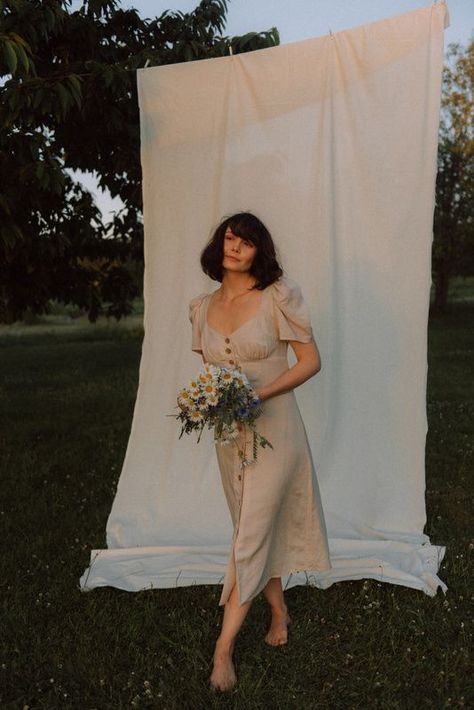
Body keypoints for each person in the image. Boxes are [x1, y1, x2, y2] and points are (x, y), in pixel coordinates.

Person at [188, 211, 332, 692]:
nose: (235, 247)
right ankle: (278, 611)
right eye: (230, 237)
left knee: (250, 534)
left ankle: (222, 651)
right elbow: (212, 373)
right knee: (250, 525)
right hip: (230, 437)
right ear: (219, 243)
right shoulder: (202, 306)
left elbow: (310, 362)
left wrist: (259, 394)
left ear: (258, 252)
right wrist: (209, 402)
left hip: (277, 430)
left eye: (247, 242)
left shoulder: (277, 296)